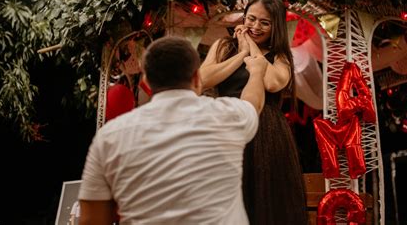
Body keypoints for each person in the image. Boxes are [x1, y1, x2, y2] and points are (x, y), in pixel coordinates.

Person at [78, 36, 268, 225]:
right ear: (196, 78)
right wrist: (257, 72)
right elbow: (253, 103)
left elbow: (91, 220)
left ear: (146, 81)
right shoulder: (227, 115)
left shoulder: (109, 137)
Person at [200, 0, 308, 224]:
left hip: (265, 133)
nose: (255, 26)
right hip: (227, 126)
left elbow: (271, 82)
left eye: (264, 23)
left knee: (264, 200)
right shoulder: (223, 46)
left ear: (276, 26)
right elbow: (203, 79)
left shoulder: (281, 57)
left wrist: (250, 46)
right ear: (244, 17)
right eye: (251, 18)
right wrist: (241, 56)